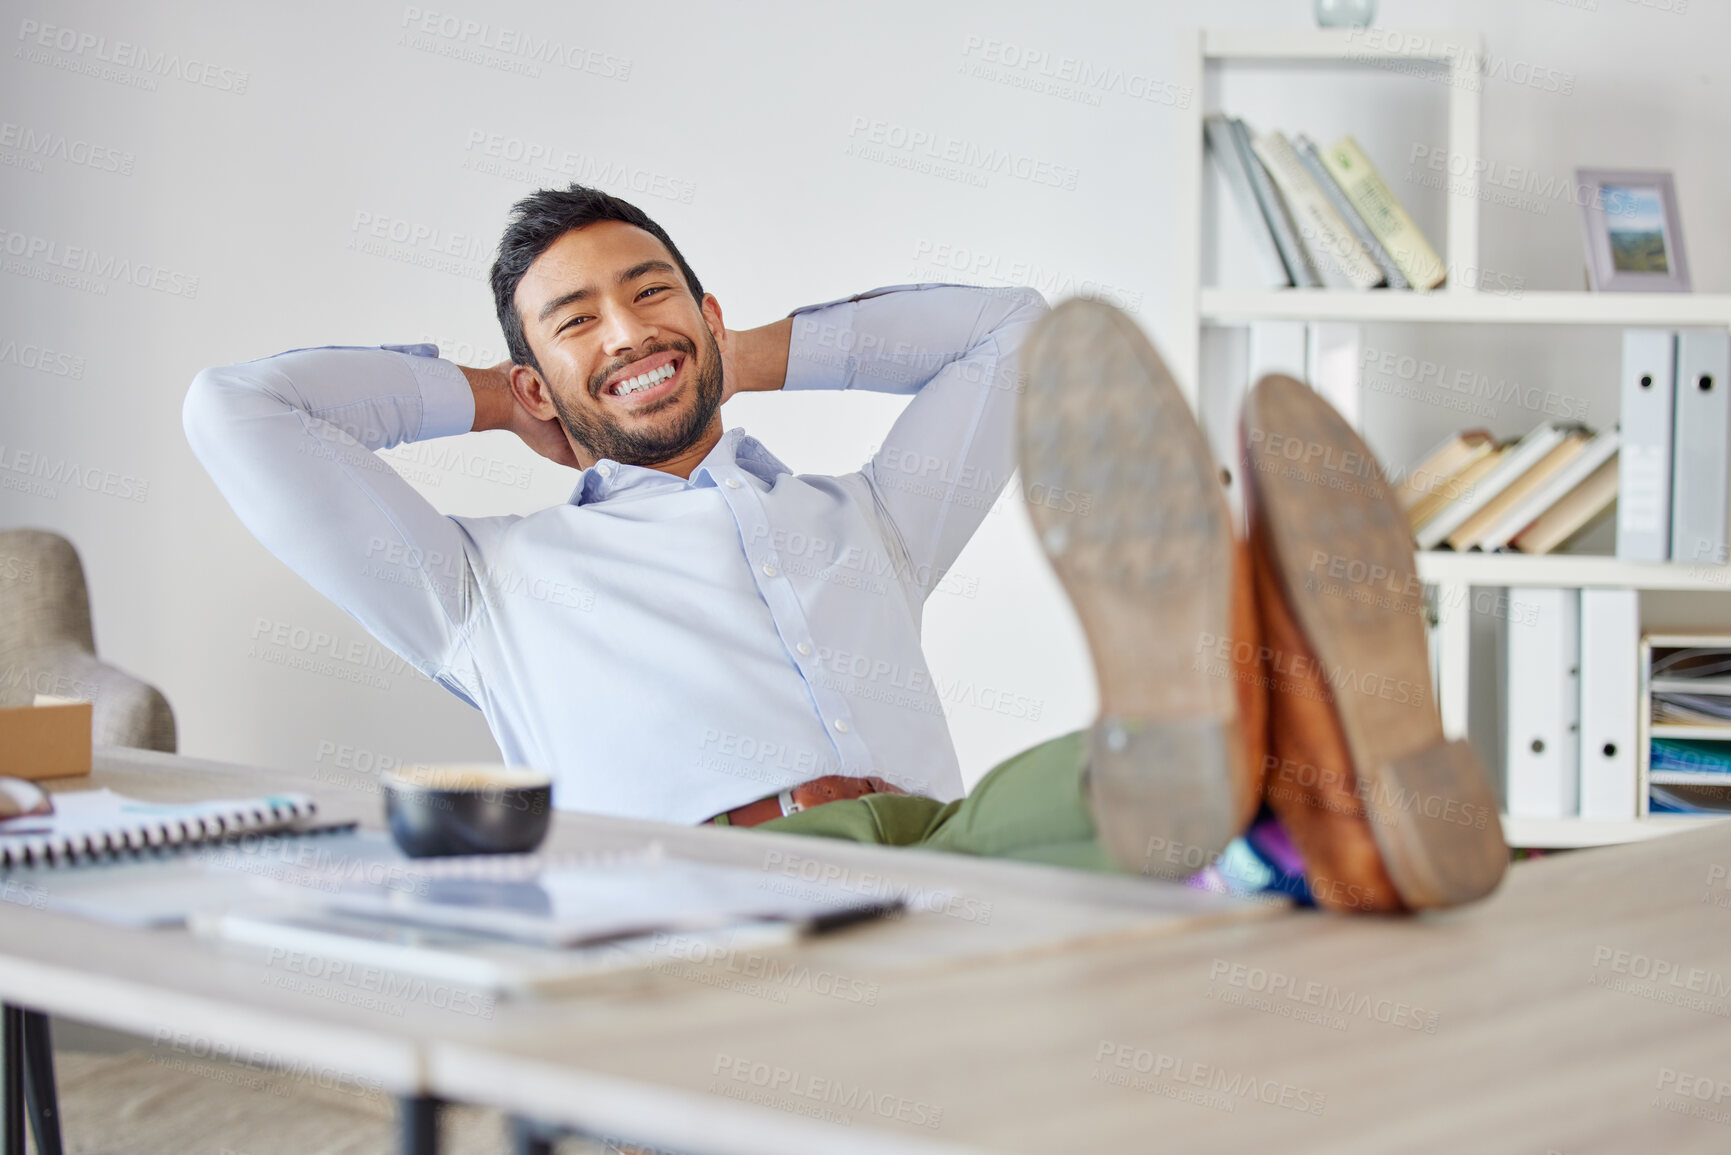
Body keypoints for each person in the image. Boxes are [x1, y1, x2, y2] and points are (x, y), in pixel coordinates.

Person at [185, 184, 1506, 915]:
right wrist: (494, 391)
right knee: (1167, 829)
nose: (626, 328)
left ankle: (1317, 764)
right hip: (702, 897)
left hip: (940, 853)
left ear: (706, 309)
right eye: (572, 322)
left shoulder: (862, 515)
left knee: (1134, 791)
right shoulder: (481, 583)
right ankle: (1309, 771)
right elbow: (238, 413)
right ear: (539, 380)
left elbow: (1022, 335)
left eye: (651, 292)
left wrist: (733, 351)